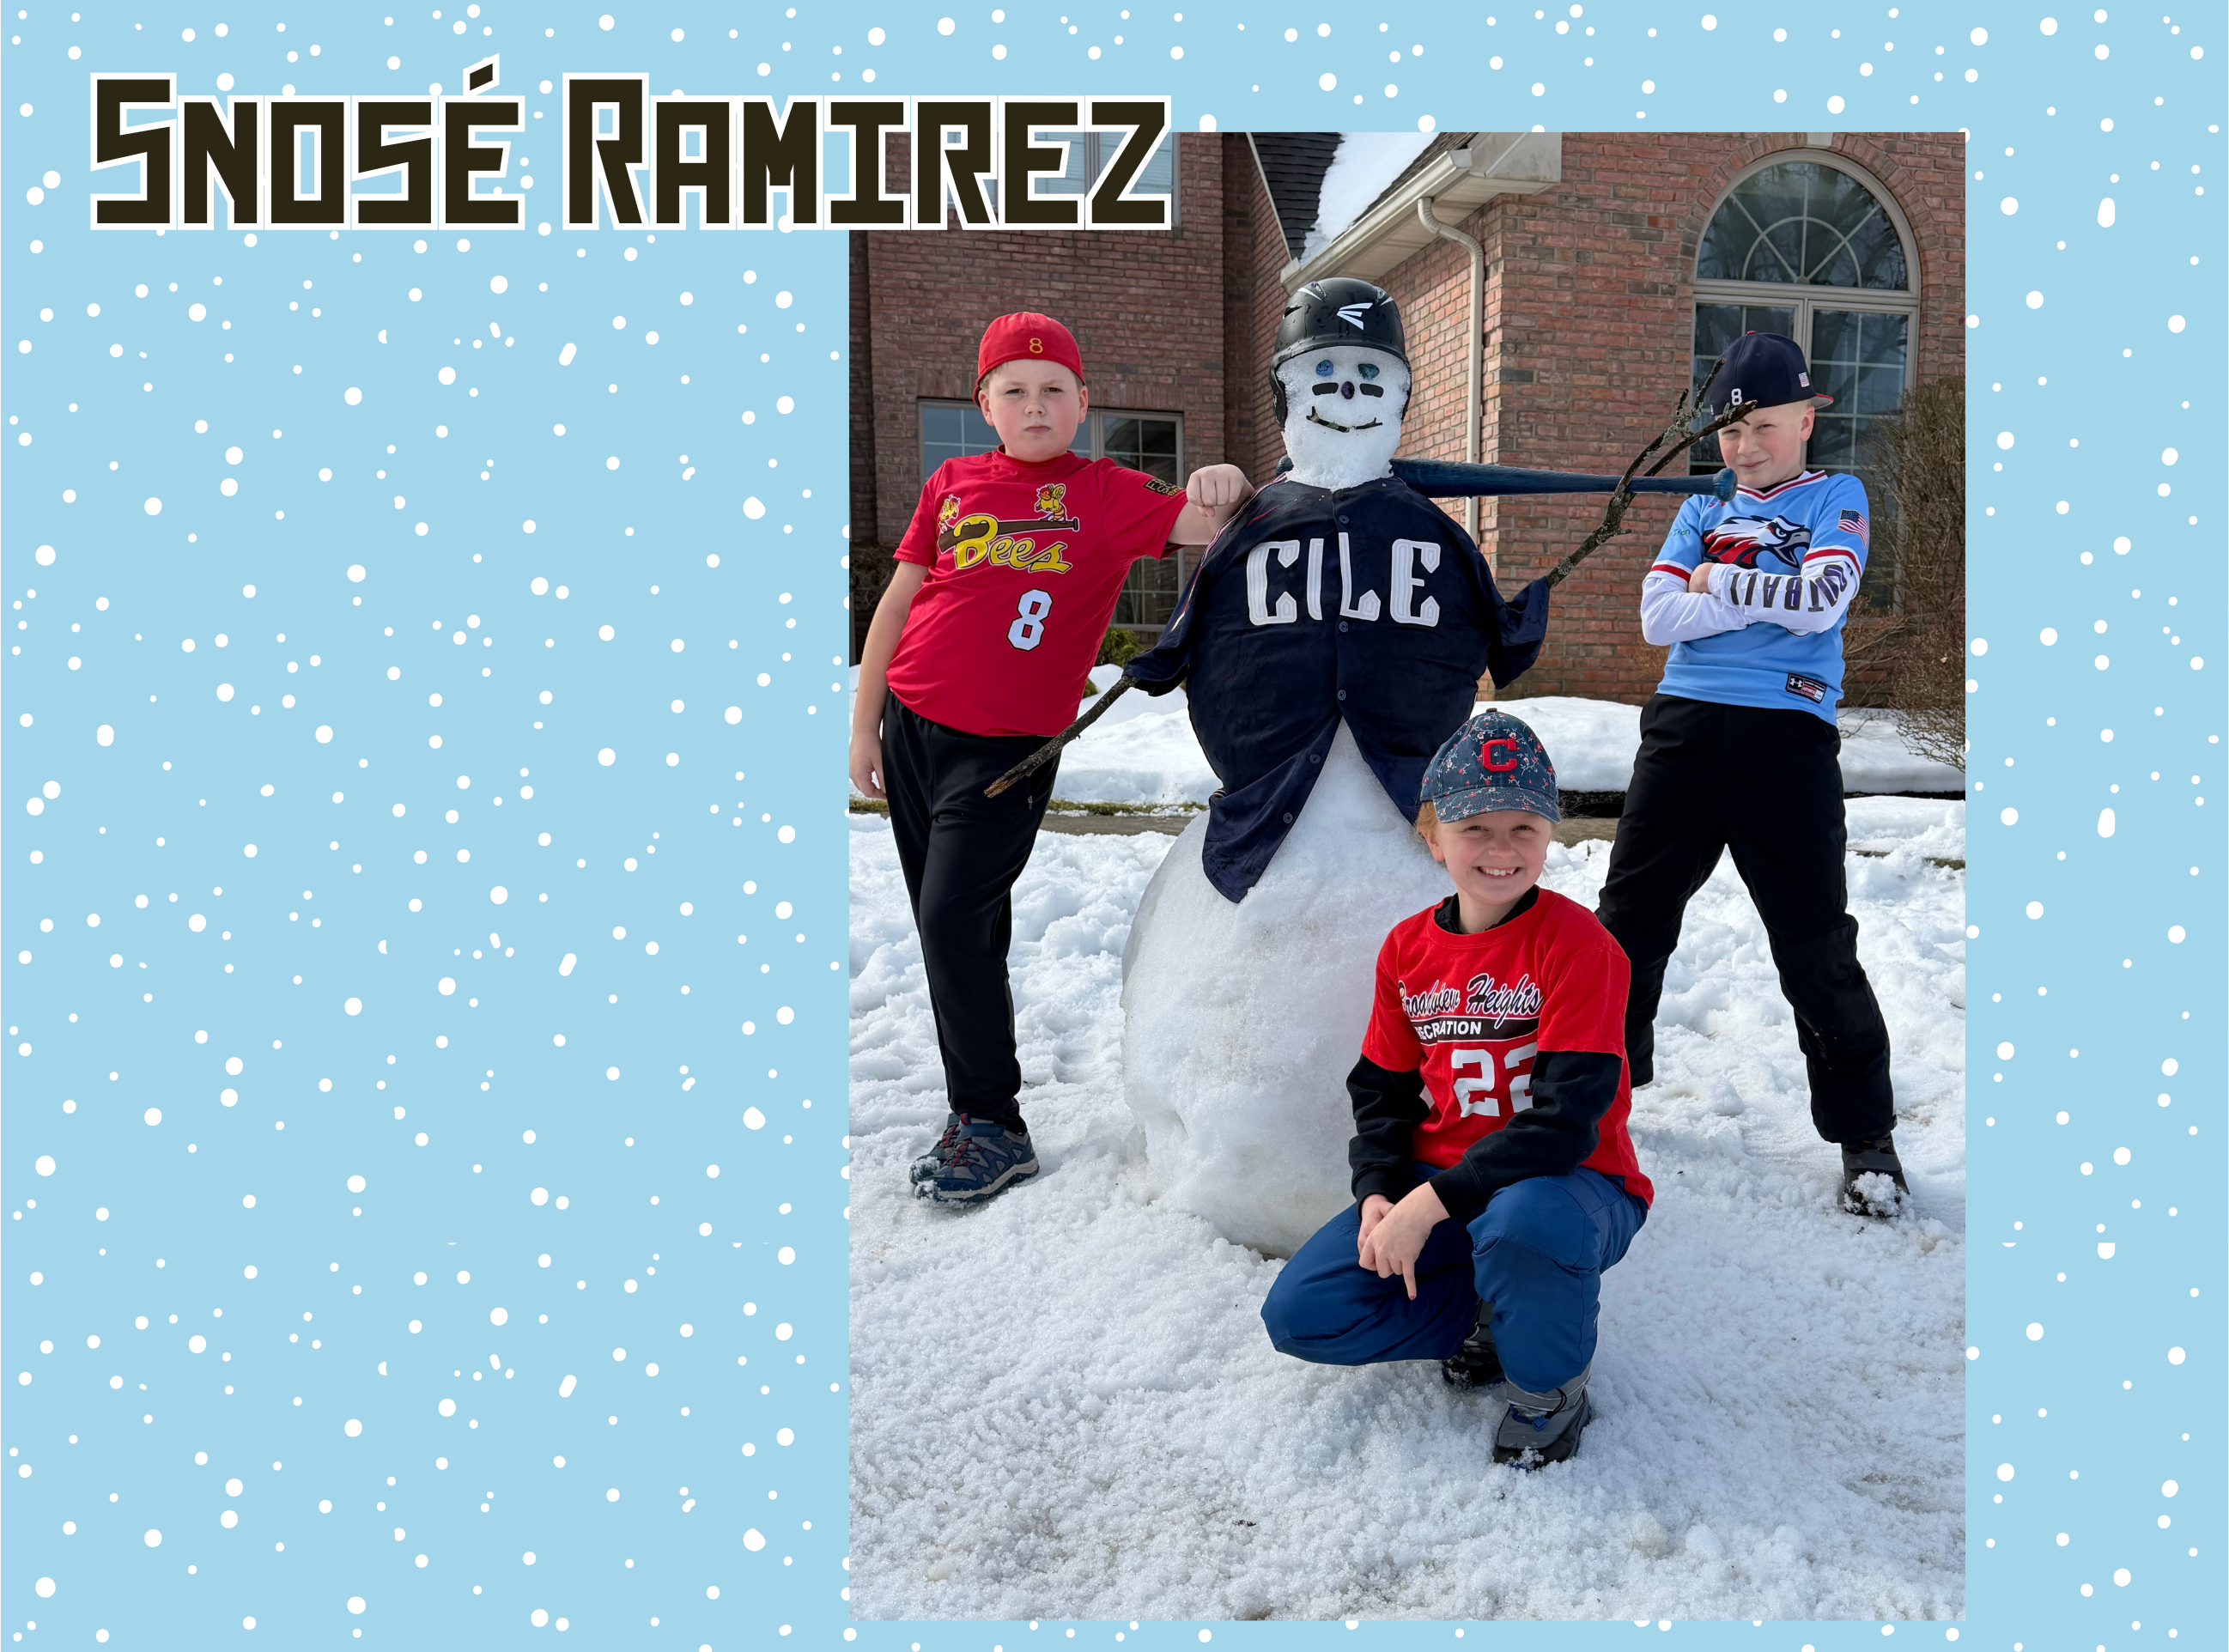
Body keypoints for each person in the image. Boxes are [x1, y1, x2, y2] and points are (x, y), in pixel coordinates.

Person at [849, 311, 1254, 1206]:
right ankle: (973, 1106)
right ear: (986, 405)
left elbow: (1203, 524)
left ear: (1082, 405)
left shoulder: (1104, 495)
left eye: (1052, 390)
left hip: (1005, 753)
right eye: (1014, 390)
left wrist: (1223, 486)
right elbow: (900, 601)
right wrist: (863, 720)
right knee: (949, 925)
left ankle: (993, 1122)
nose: (1034, 405)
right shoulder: (951, 483)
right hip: (910, 729)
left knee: (954, 918)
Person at [1260, 710, 1652, 1467]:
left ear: (1550, 836)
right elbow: (1382, 1090)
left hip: (1571, 1185)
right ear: (1433, 837)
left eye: (1524, 828)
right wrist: (1380, 1189)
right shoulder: (1408, 947)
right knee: (1304, 1314)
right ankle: (1497, 1309)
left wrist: (1428, 1208)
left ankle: (1550, 1386)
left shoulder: (1582, 948)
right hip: (1440, 1179)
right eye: (1475, 827)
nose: (1501, 850)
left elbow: (1565, 1124)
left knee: (1525, 1223)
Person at [1592, 330, 1908, 1216]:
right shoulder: (1700, 509)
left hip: (1786, 739)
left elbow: (1820, 603)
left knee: (1812, 944)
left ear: (1806, 419)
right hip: (1683, 731)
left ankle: (1865, 1134)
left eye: (1764, 427)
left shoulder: (1836, 495)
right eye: (1731, 434)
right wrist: (1714, 593)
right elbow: (1657, 617)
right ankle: (1599, 1095)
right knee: (1627, 921)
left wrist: (1715, 588)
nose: (1745, 449)